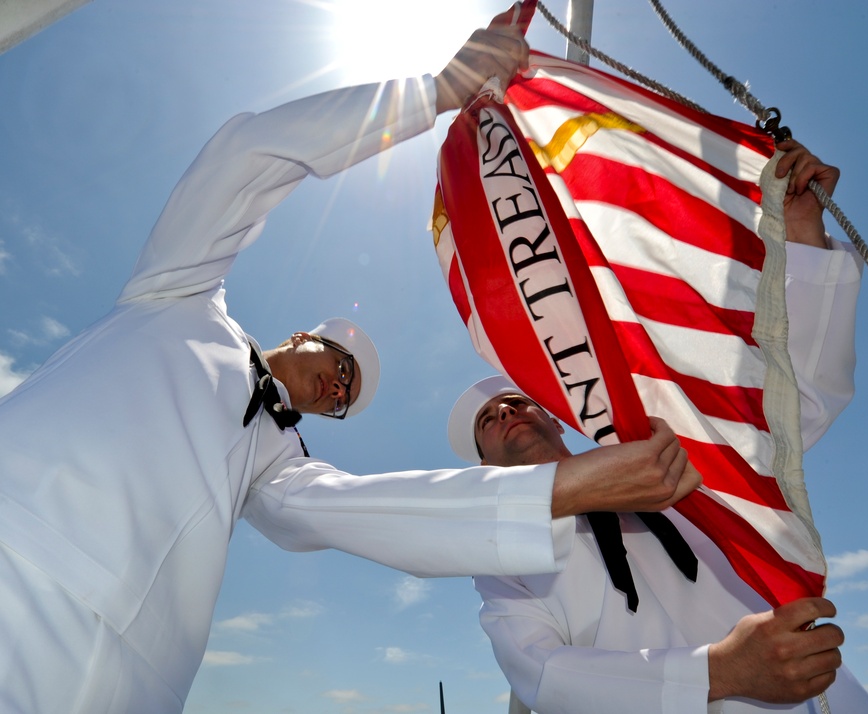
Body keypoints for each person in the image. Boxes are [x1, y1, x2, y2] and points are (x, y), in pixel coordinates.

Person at [0, 13, 693, 714]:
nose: (336, 384)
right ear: (303, 336)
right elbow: (248, 155)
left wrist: (558, 490)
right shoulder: (177, 296)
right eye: (339, 365)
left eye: (343, 396)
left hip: (133, 685)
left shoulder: (275, 465)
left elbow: (373, 513)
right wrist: (432, 93)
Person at [446, 145, 868, 713]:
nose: (506, 413)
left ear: (554, 415)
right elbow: (542, 675)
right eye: (489, 419)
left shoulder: (656, 453)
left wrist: (801, 237)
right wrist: (716, 673)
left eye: (513, 402)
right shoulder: (500, 556)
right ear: (483, 462)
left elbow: (782, 403)